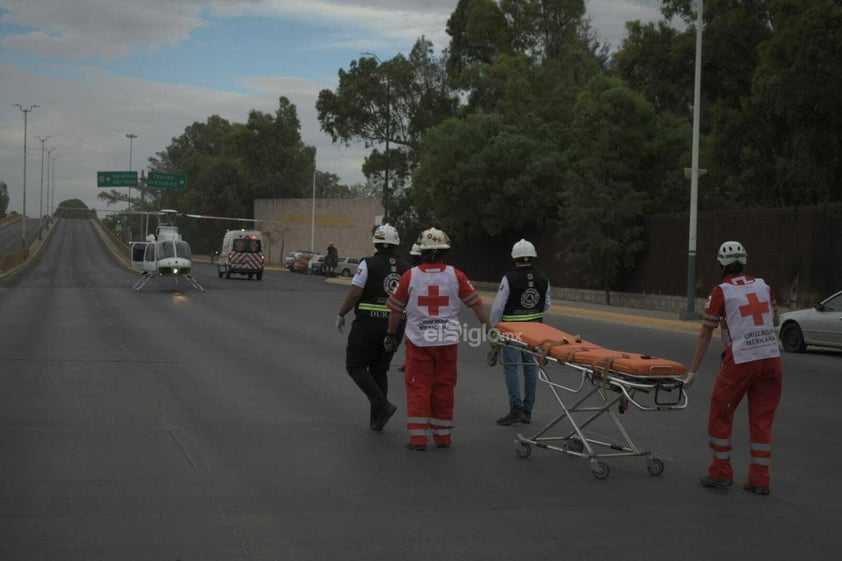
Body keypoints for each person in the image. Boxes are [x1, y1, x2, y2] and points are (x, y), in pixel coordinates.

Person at [685, 240, 782, 496]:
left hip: (741, 359)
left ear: (721, 264)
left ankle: (720, 473)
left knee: (721, 411)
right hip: (771, 358)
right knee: (762, 419)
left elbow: (705, 335)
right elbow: (776, 319)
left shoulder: (721, 292)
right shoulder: (764, 287)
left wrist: (692, 371)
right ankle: (760, 480)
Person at [385, 227, 490, 451]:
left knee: (418, 388)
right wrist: (490, 333)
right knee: (444, 387)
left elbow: (395, 311)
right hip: (447, 343)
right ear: (445, 251)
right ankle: (443, 437)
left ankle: (418, 439)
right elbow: (476, 305)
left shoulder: (410, 276)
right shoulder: (456, 275)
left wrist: (391, 335)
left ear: (422, 251)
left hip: (419, 343)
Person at [336, 225, 410, 431]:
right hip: (395, 326)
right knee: (380, 370)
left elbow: (355, 293)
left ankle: (381, 405)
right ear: (396, 244)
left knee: (355, 366)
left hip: (368, 325)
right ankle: (378, 418)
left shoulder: (367, 264)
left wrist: (341, 313)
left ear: (376, 243)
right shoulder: (407, 268)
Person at [489, 239, 551, 426]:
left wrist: (493, 331)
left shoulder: (508, 278)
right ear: (532, 257)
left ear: (514, 258)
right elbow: (546, 304)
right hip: (535, 330)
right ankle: (527, 411)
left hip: (511, 331)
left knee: (511, 368)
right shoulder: (543, 278)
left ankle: (515, 410)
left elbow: (498, 308)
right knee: (530, 368)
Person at [397, 242, 424, 373]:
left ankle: (409, 362)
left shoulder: (411, 271)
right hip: (425, 308)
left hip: (414, 308)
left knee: (410, 336)